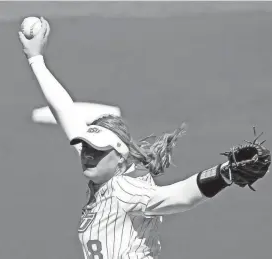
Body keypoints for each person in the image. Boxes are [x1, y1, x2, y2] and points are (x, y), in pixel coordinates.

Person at [18, 17, 263, 259]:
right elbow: (65, 111)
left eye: (98, 151)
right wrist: (35, 58)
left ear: (120, 159)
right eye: (87, 148)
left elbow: (179, 197)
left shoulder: (124, 190)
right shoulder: (104, 173)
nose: (89, 155)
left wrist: (224, 173)